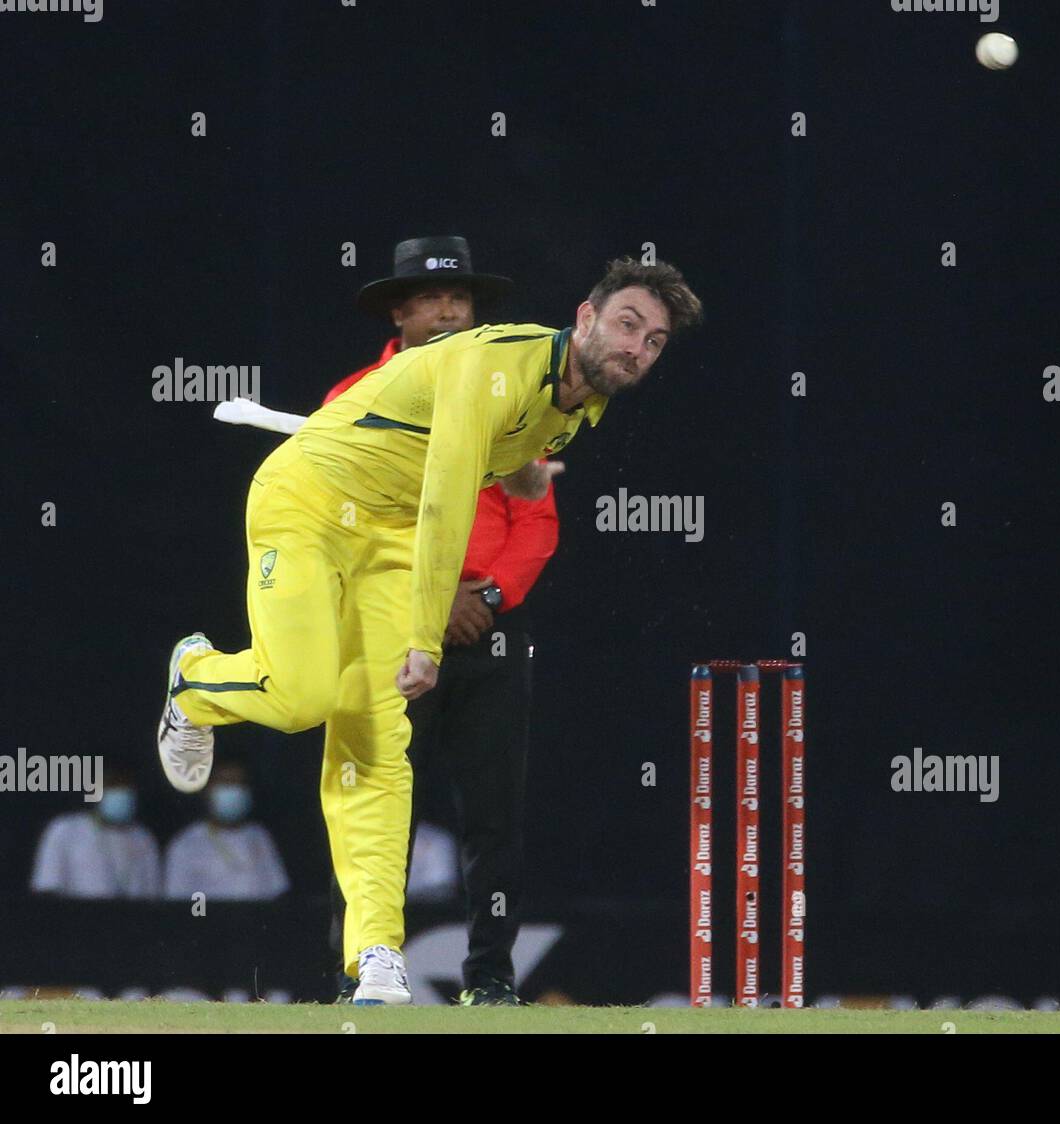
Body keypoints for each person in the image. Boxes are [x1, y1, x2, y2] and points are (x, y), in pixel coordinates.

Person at [156, 256, 702, 1005]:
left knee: (375, 736)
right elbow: (446, 501)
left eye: (656, 341)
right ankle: (196, 680)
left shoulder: (577, 404)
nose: (638, 346)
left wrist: (523, 477)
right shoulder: (499, 365)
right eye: (628, 323)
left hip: (387, 535)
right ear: (584, 317)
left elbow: (485, 467)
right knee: (300, 696)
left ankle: (377, 953)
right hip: (306, 503)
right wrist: (423, 637)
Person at [324, 236, 562, 1006]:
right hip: (389, 626)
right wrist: (426, 600)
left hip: (489, 630)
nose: (450, 311)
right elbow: (338, 519)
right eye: (431, 298)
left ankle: (491, 978)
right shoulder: (354, 396)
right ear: (400, 310)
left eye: (461, 298)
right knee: (374, 803)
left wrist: (482, 598)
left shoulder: (509, 398)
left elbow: (537, 520)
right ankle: (359, 969)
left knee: (495, 814)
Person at [163, 760, 289, 901]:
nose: (232, 789)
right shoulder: (185, 844)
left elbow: (277, 891)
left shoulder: (259, 836)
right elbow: (176, 905)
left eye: (238, 783)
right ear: (206, 789)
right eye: (225, 782)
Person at [30, 763, 161, 899]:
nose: (120, 792)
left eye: (125, 787)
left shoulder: (143, 838)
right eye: (112, 786)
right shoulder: (65, 830)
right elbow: (47, 889)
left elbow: (153, 896)